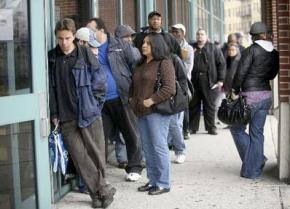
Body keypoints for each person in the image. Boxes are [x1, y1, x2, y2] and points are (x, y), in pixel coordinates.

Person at [48, 18, 115, 208]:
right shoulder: (52, 57)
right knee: (79, 157)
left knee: (96, 155)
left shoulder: (84, 53)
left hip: (88, 113)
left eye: (68, 38)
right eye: (60, 38)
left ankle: (96, 195)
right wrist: (54, 113)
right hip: (66, 117)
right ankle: (103, 190)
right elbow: (50, 89)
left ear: (74, 36)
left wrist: (95, 103)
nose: (64, 43)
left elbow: (100, 78)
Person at [86, 18, 144, 182]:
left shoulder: (119, 44)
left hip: (122, 97)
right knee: (100, 138)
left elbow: (136, 66)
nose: (89, 33)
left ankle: (134, 167)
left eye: (91, 30)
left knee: (131, 133)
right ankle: (99, 172)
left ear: (102, 30)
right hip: (99, 102)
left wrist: (135, 93)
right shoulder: (86, 48)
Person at [230, 22, 279, 179]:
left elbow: (241, 73)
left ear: (254, 36)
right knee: (257, 133)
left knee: (236, 129)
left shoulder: (250, 50)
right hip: (266, 95)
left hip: (250, 96)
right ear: (265, 34)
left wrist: (234, 90)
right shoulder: (275, 53)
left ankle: (255, 162)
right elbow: (272, 75)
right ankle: (255, 166)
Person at [129, 33, 176, 195]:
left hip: (157, 112)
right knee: (148, 148)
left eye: (148, 43)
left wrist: (152, 100)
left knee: (158, 146)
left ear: (156, 46)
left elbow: (170, 88)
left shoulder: (164, 62)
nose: (143, 45)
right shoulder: (141, 63)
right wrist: (131, 99)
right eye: (143, 43)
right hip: (141, 111)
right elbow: (134, 84)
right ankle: (153, 180)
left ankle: (163, 183)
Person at [189, 28, 226, 135]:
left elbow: (222, 64)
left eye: (202, 34)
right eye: (198, 34)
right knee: (193, 105)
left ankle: (211, 128)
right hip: (194, 80)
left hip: (209, 81)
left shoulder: (213, 48)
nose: (200, 36)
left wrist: (221, 80)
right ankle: (192, 127)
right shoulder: (191, 48)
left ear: (206, 36)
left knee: (209, 106)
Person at [171, 23, 194, 140]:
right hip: (170, 80)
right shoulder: (169, 46)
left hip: (183, 82)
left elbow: (188, 67)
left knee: (183, 106)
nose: (174, 34)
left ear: (183, 33)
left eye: (177, 31)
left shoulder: (188, 48)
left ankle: (185, 130)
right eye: (173, 31)